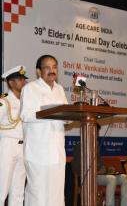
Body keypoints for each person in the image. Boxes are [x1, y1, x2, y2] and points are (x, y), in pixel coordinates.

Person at [20, 55, 68, 206]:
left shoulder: (60, 89)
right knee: (38, 195)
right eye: (47, 67)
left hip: (57, 152)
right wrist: (48, 113)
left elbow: (66, 116)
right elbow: (25, 115)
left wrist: (70, 116)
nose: (52, 70)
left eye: (54, 67)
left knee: (56, 195)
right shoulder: (30, 88)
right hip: (38, 152)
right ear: (38, 71)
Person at [0, 66, 28, 206]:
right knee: (1, 188)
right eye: (20, 79)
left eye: (24, 79)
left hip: (23, 147)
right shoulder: (4, 101)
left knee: (18, 192)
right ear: (11, 83)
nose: (23, 81)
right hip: (7, 146)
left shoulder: (27, 102)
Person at [72, 142, 127, 206]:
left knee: (125, 178)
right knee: (111, 179)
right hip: (88, 177)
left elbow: (100, 163)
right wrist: (93, 169)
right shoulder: (79, 147)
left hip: (99, 175)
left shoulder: (96, 145)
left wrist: (107, 169)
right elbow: (76, 167)